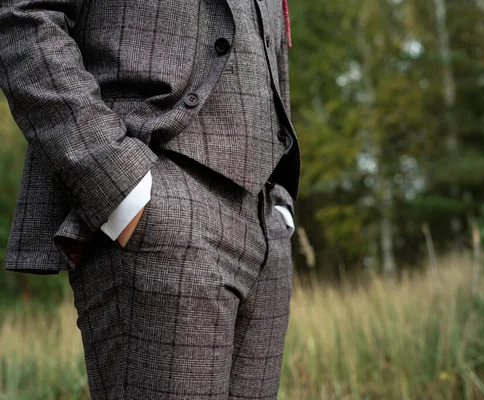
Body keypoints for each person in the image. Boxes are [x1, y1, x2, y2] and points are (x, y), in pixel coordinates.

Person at [0, 0, 301, 397]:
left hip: (265, 221)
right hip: (159, 208)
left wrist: (280, 203)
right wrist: (120, 188)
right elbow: (25, 15)